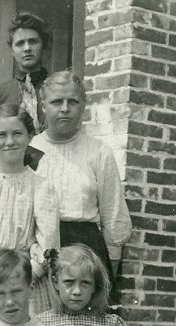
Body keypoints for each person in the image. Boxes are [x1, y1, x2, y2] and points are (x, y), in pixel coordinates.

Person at [32, 70, 132, 305]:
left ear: (83, 106)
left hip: (88, 251)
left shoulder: (98, 151)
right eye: (56, 101)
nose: (65, 108)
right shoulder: (30, 149)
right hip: (42, 251)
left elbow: (114, 214)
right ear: (43, 105)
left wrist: (108, 269)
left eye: (73, 101)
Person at [0, 104, 60, 316]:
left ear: (30, 136)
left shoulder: (41, 186)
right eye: (1, 135)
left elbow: (49, 245)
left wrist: (25, 279)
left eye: (17, 134)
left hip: (26, 280)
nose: (10, 142)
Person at [0, 12, 52, 132]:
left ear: (44, 45)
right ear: (12, 50)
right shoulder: (0, 94)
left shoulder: (56, 88)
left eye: (33, 41)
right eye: (20, 43)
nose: (27, 48)